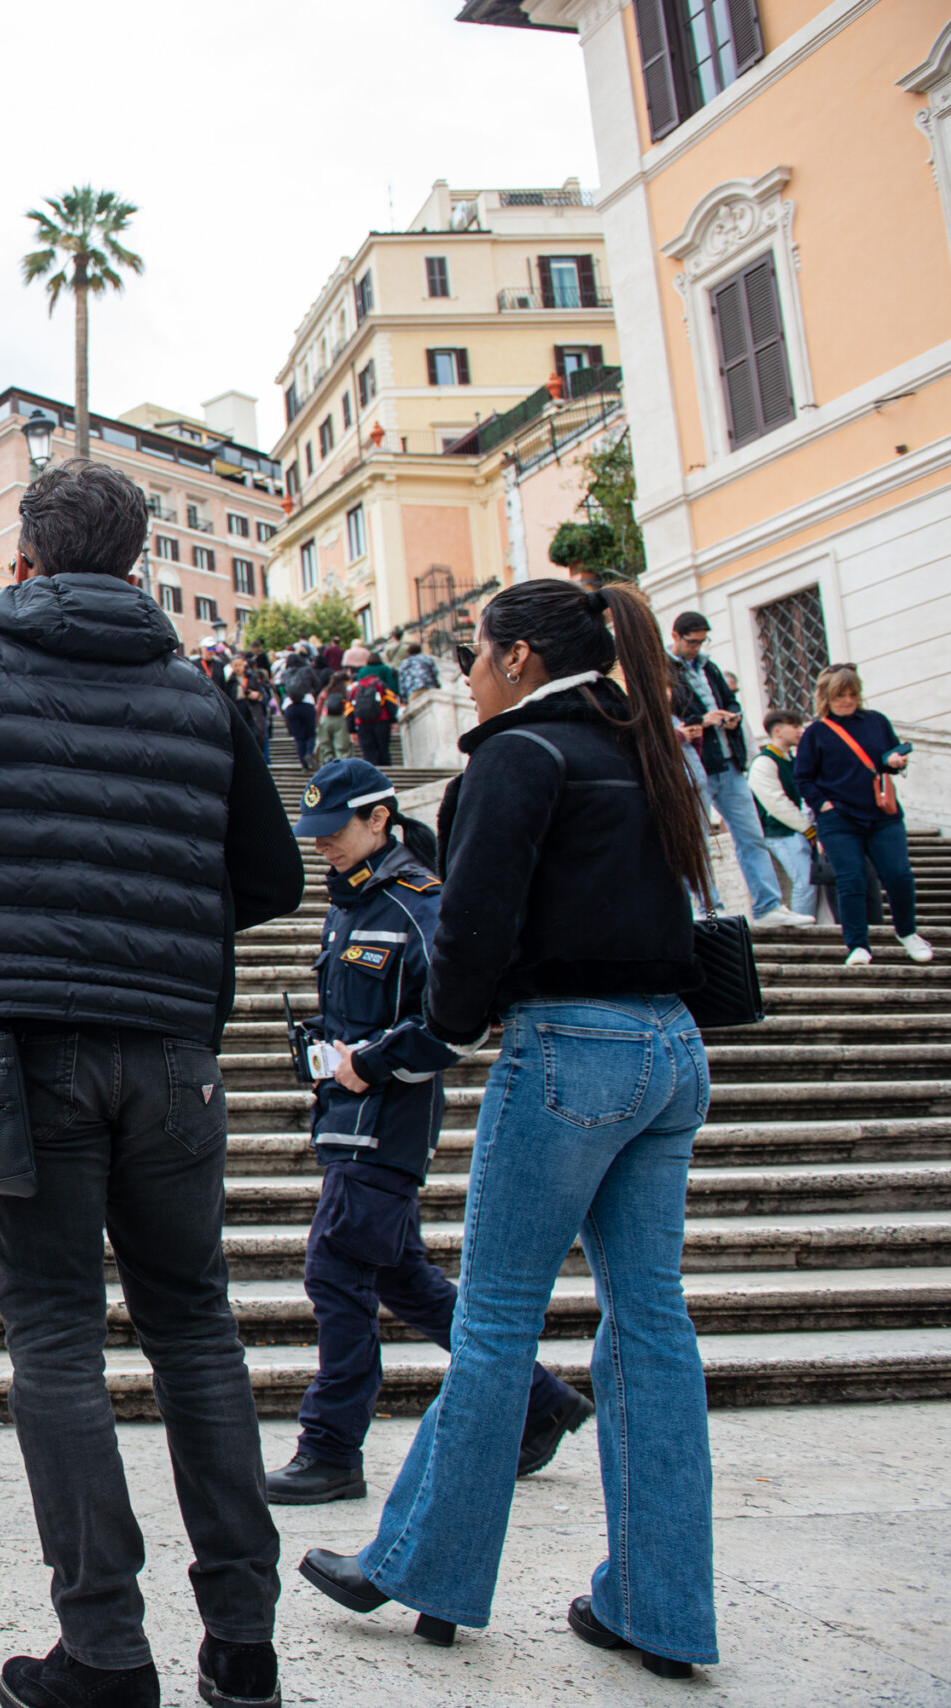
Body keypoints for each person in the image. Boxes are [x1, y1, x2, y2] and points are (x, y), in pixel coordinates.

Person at [0, 460, 302, 1708]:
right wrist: (165, 921)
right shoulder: (198, 686)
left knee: (55, 1335)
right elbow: (273, 879)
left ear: (22, 557)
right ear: (137, 560)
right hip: (171, 1054)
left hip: (24, 1043)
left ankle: (105, 1650)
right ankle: (242, 1646)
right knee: (196, 1327)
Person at [300, 578, 720, 1679]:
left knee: (491, 1321)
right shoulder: (643, 743)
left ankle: (419, 1565)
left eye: (475, 653)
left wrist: (392, 1054)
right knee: (651, 1326)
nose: (467, 672)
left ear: (522, 658)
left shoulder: (516, 756)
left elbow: (467, 947)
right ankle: (661, 1606)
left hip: (569, 1048)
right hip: (673, 1048)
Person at [265, 757, 592, 1508]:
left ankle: (331, 1450)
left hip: (387, 1120)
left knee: (336, 1270)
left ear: (381, 818)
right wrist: (326, 1044)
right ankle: (540, 1402)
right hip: (346, 1117)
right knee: (398, 1277)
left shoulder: (420, 902)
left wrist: (371, 1063)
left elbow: (460, 1020)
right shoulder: (352, 903)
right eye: (315, 833)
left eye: (335, 830)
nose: (323, 846)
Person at [794, 663, 930, 966]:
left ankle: (907, 932)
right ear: (828, 696)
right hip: (838, 818)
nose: (847, 700)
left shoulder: (876, 721)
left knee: (899, 874)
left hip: (882, 814)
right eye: (841, 695)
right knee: (851, 880)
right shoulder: (815, 733)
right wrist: (823, 805)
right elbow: (802, 777)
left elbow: (889, 756)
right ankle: (857, 945)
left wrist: (896, 761)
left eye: (853, 694)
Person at [668, 612, 795, 925]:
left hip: (729, 763)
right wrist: (703, 720)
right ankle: (708, 910)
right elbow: (671, 711)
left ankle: (768, 906)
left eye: (701, 641)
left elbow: (730, 699)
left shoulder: (709, 666)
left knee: (751, 835)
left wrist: (732, 714)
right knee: (698, 844)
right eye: (691, 641)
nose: (696, 647)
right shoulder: (665, 669)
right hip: (696, 767)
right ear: (676, 636)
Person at [747, 708, 819, 920]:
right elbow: (775, 803)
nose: (800, 730)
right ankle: (803, 932)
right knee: (805, 881)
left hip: (797, 830)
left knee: (812, 881)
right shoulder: (764, 762)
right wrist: (807, 828)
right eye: (795, 726)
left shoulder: (793, 760)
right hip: (779, 833)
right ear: (777, 731)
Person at [282, 671, 320, 771]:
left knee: (299, 738)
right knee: (311, 734)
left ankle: (304, 765)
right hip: (307, 706)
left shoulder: (287, 676)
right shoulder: (306, 675)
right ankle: (308, 753)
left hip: (290, 708)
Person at [316, 669, 353, 765]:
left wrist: (317, 721)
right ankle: (343, 768)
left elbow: (319, 706)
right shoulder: (345, 692)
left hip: (325, 719)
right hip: (341, 720)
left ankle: (326, 768)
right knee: (343, 748)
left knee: (325, 747)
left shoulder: (326, 691)